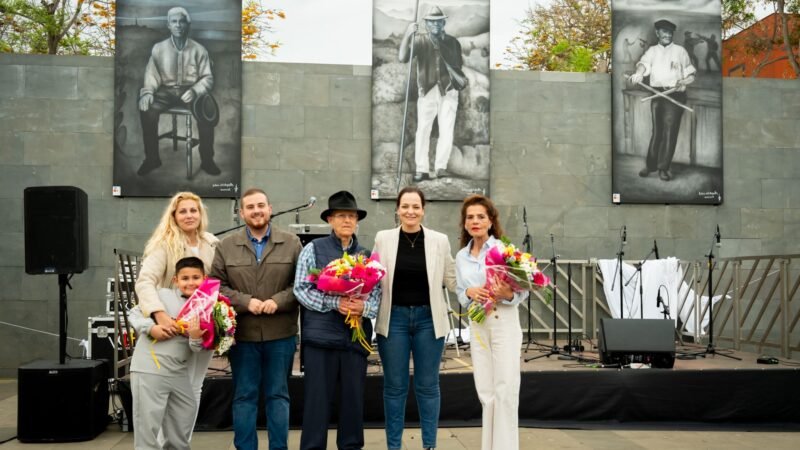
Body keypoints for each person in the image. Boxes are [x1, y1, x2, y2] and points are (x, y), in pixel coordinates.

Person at [211, 188, 302, 450]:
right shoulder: (226, 246)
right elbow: (215, 285)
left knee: (278, 396)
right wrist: (245, 302)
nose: (256, 210)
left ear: (270, 208)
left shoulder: (291, 242)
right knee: (244, 397)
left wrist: (279, 300)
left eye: (261, 205)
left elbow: (302, 283)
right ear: (242, 213)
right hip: (243, 335)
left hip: (281, 335)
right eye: (250, 207)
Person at [293, 190, 381, 450]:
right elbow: (300, 289)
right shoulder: (313, 249)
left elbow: (377, 295)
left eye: (352, 216)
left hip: (354, 341)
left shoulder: (366, 255)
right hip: (321, 341)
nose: (347, 221)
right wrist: (336, 302)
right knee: (316, 404)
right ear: (330, 220)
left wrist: (362, 307)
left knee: (353, 404)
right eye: (341, 216)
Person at [373, 186, 456, 450]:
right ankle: (393, 446)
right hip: (393, 319)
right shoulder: (383, 238)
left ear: (423, 210)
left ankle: (429, 445)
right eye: (405, 206)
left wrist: (486, 282)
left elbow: (452, 279)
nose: (410, 211)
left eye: (416, 206)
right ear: (397, 209)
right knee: (395, 387)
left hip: (429, 320)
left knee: (428, 386)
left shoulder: (439, 240)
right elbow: (372, 278)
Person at [135, 191, 218, 431]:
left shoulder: (212, 243)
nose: (189, 215)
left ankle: (181, 443)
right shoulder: (163, 245)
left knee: (194, 387)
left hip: (202, 327)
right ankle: (163, 443)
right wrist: (159, 314)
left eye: (194, 210)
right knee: (171, 389)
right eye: (183, 211)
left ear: (200, 214)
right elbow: (144, 282)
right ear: (174, 216)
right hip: (173, 327)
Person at [455, 194, 525, 450]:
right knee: (486, 391)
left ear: (491, 221)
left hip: (503, 321)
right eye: (470, 217)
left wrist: (506, 294)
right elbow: (461, 294)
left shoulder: (504, 249)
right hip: (478, 324)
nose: (475, 221)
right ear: (464, 223)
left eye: (480, 217)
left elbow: (523, 290)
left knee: (505, 389)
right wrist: (469, 293)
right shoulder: (462, 256)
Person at [129, 256, 211, 450]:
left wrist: (195, 337)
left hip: (179, 372)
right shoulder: (161, 295)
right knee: (147, 429)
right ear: (175, 280)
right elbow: (134, 313)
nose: (190, 282)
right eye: (185, 278)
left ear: (204, 278)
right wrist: (151, 328)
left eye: (195, 277)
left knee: (184, 417)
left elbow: (197, 349)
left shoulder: (206, 305)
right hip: (149, 369)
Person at [138, 6, 220, 176]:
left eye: (181, 21)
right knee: (147, 111)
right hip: (166, 91)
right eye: (174, 22)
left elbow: (208, 78)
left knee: (206, 112)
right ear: (168, 25)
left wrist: (196, 90)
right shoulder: (158, 49)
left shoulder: (199, 50)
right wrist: (147, 93)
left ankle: (207, 160)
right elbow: (151, 75)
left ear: (187, 25)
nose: (178, 25)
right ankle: (152, 159)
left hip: (190, 91)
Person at [398, 5, 468, 182]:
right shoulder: (420, 41)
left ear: (443, 22)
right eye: (431, 22)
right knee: (423, 130)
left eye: (438, 22)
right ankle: (421, 169)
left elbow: (458, 65)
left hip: (449, 90)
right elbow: (402, 57)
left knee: (447, 130)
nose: (435, 25)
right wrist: (408, 34)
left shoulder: (453, 42)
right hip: (427, 90)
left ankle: (441, 167)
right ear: (426, 24)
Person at [629, 19, 696, 182]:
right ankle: (651, 166)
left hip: (675, 95)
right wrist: (638, 73)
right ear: (657, 33)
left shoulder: (680, 51)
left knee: (669, 133)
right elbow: (643, 65)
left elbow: (691, 75)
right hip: (658, 94)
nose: (667, 35)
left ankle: (663, 168)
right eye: (664, 32)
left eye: (670, 32)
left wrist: (683, 82)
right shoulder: (652, 51)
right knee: (657, 131)